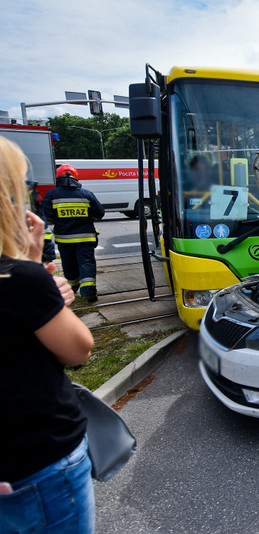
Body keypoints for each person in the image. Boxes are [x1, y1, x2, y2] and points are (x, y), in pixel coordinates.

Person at [0, 136, 96, 532]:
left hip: (66, 245)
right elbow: (78, 350)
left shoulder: (53, 197)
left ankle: (82, 289)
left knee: (74, 271)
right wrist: (34, 269)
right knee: (84, 272)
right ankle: (88, 292)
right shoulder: (15, 278)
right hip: (37, 464)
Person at [41, 164, 105, 302]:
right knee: (86, 262)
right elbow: (99, 214)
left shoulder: (51, 195)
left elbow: (47, 216)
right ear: (76, 178)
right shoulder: (86, 194)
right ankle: (89, 292)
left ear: (58, 178)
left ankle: (72, 286)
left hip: (64, 239)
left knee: (68, 263)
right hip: (85, 237)